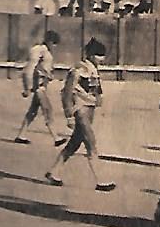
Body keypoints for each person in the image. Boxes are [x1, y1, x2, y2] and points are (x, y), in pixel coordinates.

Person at [44, 37, 116, 191]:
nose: (101, 59)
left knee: (74, 144)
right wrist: (69, 116)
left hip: (89, 109)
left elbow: (96, 89)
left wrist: (99, 99)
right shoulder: (78, 69)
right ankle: (100, 180)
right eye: (98, 55)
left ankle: (54, 173)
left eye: (102, 55)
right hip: (80, 109)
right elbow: (66, 93)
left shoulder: (92, 69)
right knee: (91, 142)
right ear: (90, 55)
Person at [15, 30, 66, 145]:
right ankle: (56, 138)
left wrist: (49, 75)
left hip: (43, 85)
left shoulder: (45, 51)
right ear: (48, 41)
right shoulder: (39, 50)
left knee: (32, 112)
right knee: (48, 110)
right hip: (38, 86)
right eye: (53, 43)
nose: (54, 46)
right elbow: (29, 69)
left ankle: (21, 135)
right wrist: (27, 87)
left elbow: (42, 68)